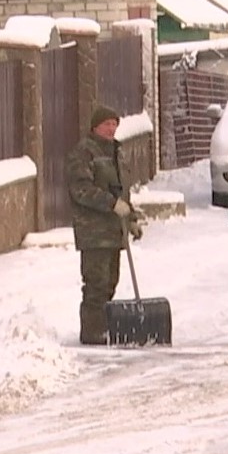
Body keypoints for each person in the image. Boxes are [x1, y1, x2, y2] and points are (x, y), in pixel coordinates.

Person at [66, 104, 143, 345]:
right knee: (96, 284)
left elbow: (121, 191)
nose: (111, 129)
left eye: (114, 124)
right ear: (95, 127)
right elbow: (81, 190)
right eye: (107, 124)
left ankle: (104, 327)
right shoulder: (83, 153)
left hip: (113, 230)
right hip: (93, 230)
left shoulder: (115, 152)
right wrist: (111, 204)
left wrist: (130, 218)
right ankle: (91, 331)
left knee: (111, 282)